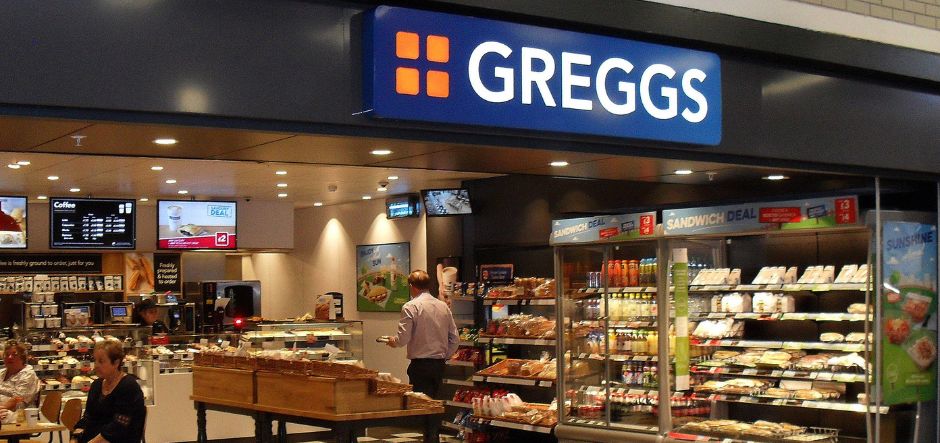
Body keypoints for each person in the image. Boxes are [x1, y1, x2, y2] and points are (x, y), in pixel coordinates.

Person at [386, 270, 459, 398]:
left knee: (420, 403)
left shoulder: (410, 306)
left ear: (411, 286)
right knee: (436, 402)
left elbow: (403, 339)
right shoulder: (443, 306)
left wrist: (393, 341)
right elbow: (455, 339)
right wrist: (444, 356)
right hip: (439, 365)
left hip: (420, 366)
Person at [71, 340, 146, 443]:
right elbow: (88, 417)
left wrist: (92, 442)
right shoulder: (96, 385)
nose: (96, 365)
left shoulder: (129, 387)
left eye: (101, 361)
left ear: (116, 363)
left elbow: (119, 425)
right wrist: (75, 438)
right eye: (95, 360)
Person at [0, 340, 39, 418]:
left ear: (22, 357)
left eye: (14, 355)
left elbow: (16, 400)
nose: (9, 357)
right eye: (7, 354)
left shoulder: (28, 374)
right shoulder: (1, 372)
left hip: (17, 414)